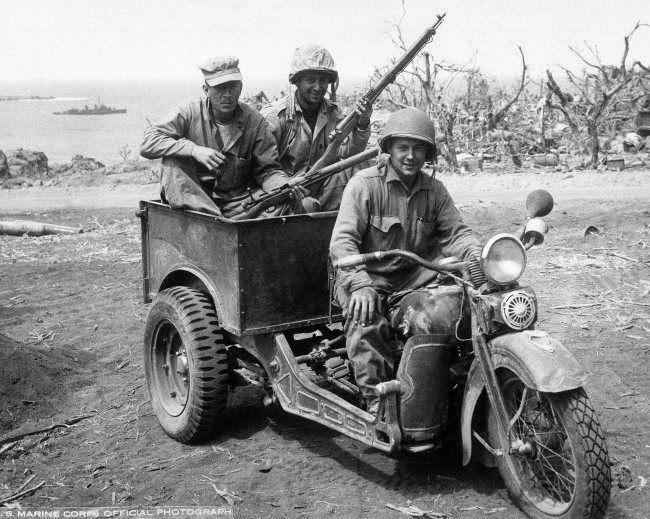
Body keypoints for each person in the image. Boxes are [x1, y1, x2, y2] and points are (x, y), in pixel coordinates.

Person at [329, 107, 481, 413]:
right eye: (403, 148)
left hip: (414, 280)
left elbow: (457, 233)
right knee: (365, 319)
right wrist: (359, 284)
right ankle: (377, 401)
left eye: (418, 148)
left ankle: (452, 385)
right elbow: (342, 242)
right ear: (389, 149)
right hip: (367, 279)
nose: (410, 156)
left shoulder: (434, 191)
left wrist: (478, 257)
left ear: (428, 153)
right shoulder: (364, 184)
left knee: (459, 307)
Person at [140, 55, 309, 218]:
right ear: (206, 90)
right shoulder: (188, 112)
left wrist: (284, 186)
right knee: (172, 163)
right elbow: (148, 142)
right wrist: (194, 150)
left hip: (239, 204)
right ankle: (216, 223)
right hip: (195, 206)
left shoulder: (255, 122)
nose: (227, 94)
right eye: (220, 88)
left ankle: (225, 225)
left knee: (304, 205)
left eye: (233, 86)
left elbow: (268, 171)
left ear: (240, 88)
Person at [261, 44, 373, 211]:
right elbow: (263, 167)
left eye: (323, 80)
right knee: (307, 207)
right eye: (311, 80)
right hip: (285, 192)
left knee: (365, 169)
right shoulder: (276, 116)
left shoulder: (332, 113)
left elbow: (348, 153)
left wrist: (362, 123)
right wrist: (286, 186)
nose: (318, 87)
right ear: (297, 81)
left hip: (321, 184)